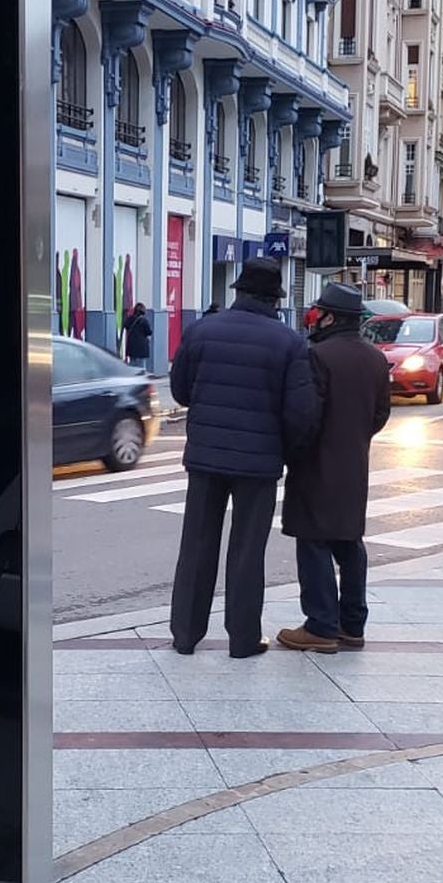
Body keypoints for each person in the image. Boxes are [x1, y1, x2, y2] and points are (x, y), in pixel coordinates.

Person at [168, 258, 319, 658]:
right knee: (248, 551)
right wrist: (286, 450)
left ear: (238, 292)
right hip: (259, 464)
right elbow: (300, 414)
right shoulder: (289, 342)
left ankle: (185, 634)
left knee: (196, 545)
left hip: (204, 458)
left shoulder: (201, 331)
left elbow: (181, 391)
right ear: (274, 298)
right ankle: (243, 638)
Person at [277, 283, 391, 654]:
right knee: (349, 544)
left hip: (316, 465)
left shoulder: (317, 356)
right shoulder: (375, 358)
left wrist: (294, 451)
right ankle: (352, 624)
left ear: (330, 317)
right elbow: (380, 414)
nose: (313, 318)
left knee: (313, 542)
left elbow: (306, 416)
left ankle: (321, 625)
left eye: (318, 312)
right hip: (354, 465)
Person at [122, 302, 153, 371]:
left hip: (131, 346)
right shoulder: (144, 321)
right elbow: (149, 332)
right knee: (141, 366)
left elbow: (125, 326)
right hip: (141, 348)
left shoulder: (129, 319)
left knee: (132, 364)